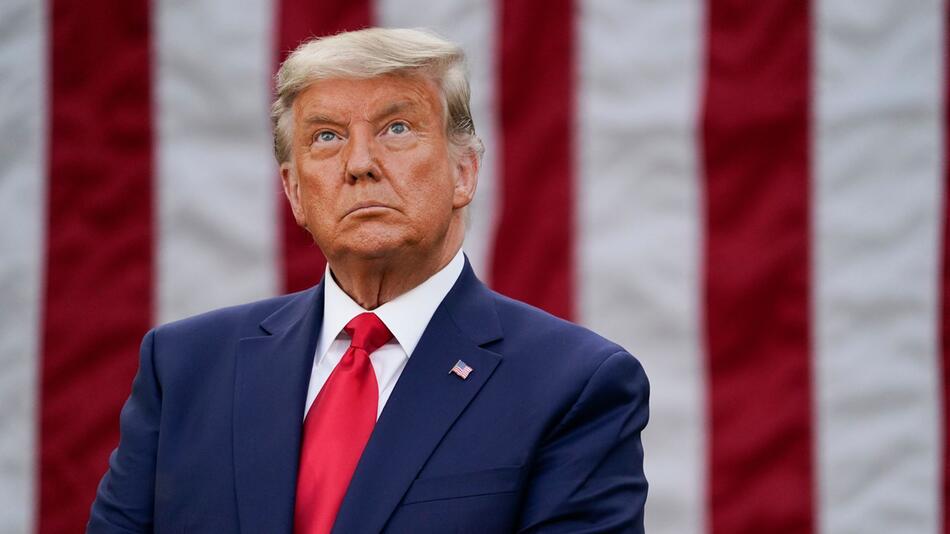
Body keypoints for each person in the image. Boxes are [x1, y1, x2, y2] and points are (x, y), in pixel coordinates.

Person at [87, 27, 649, 533]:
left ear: (464, 171)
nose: (359, 163)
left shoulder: (574, 385)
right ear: (295, 192)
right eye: (327, 137)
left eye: (396, 128)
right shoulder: (183, 367)